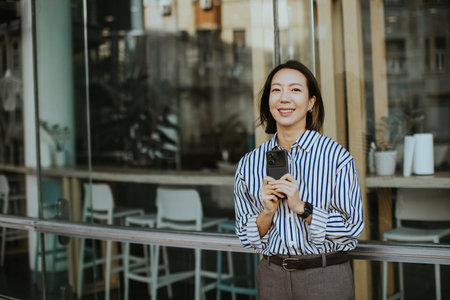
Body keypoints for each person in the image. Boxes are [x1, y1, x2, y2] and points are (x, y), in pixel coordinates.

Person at [234, 60, 363, 300]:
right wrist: (267, 212)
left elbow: (352, 228)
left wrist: (302, 208)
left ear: (311, 103)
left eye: (295, 90)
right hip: (272, 277)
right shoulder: (248, 165)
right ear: (268, 102)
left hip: (325, 277)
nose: (284, 98)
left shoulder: (336, 157)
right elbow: (246, 235)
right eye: (276, 90)